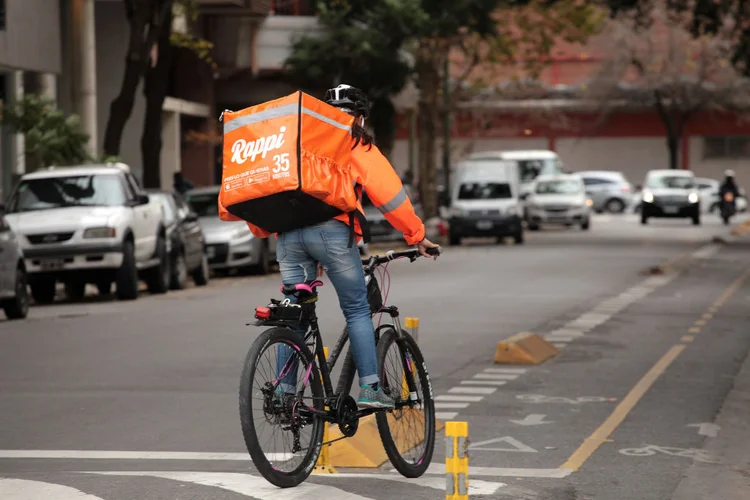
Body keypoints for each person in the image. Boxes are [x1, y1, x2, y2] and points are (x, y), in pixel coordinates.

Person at [252, 84, 440, 409]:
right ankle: (370, 387)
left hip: (289, 234)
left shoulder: (301, 140)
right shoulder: (356, 143)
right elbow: (390, 196)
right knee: (356, 308)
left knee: (293, 311)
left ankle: (283, 393)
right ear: (361, 118)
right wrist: (416, 235)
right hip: (331, 234)